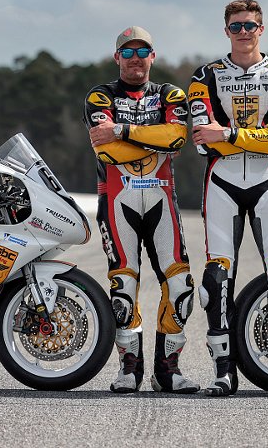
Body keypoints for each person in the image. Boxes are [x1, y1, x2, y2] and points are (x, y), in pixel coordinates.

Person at [189, 0, 268, 399]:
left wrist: (230, 135)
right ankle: (224, 374)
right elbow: (204, 143)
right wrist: (237, 137)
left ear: (262, 29)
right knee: (215, 279)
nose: (243, 33)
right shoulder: (204, 76)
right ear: (226, 31)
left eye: (250, 26)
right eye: (236, 26)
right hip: (220, 182)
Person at [84, 26, 199, 394]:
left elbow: (178, 136)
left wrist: (122, 130)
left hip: (163, 201)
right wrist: (155, 140)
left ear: (154, 55)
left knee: (180, 284)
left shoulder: (171, 93)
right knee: (124, 285)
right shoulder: (100, 95)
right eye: (127, 52)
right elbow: (106, 151)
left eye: (142, 51)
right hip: (118, 202)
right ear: (117, 57)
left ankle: (168, 371)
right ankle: (129, 369)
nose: (135, 58)